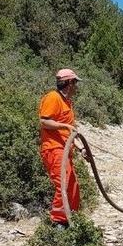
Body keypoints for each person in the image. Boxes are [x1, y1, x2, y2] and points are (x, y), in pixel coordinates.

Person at [38, 68, 81, 228]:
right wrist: (64, 126)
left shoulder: (67, 102)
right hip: (54, 149)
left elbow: (69, 133)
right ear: (69, 83)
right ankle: (58, 223)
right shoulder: (53, 98)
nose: (77, 86)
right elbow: (44, 121)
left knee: (73, 185)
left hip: (65, 150)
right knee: (63, 184)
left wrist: (81, 149)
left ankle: (72, 220)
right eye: (75, 83)